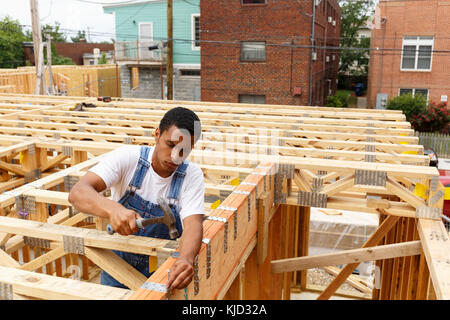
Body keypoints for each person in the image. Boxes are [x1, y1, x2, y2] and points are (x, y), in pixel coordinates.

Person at [68, 107, 204, 290]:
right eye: (171, 145)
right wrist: (113, 209)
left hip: (164, 272)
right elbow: (78, 192)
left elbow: (193, 224)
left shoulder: (191, 175)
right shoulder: (128, 158)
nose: (175, 157)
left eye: (183, 151)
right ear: (157, 134)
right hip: (117, 267)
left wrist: (186, 259)